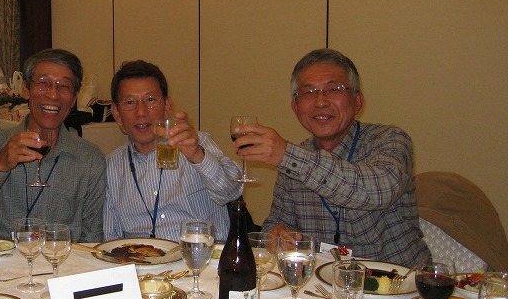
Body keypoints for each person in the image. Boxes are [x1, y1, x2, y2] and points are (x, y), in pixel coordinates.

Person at [233, 48, 431, 265]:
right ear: (295, 107)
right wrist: (277, 235)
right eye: (309, 92)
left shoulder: (390, 140)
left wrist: (287, 155)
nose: (320, 102)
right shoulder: (294, 159)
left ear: (357, 101)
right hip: (324, 282)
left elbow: (380, 190)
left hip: (399, 279)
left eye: (333, 89)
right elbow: (276, 223)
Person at [0, 49, 106, 243]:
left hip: (62, 260)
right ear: (26, 89)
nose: (53, 94)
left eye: (64, 86)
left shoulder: (90, 159)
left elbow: (92, 237)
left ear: (73, 98)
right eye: (44, 83)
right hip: (0, 260)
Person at [103, 60, 242, 242]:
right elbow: (111, 238)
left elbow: (231, 192)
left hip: (201, 256)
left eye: (150, 100)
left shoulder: (197, 143)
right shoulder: (111, 165)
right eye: (130, 102)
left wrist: (197, 156)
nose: (141, 112)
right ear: (116, 114)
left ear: (167, 106)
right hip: (142, 258)